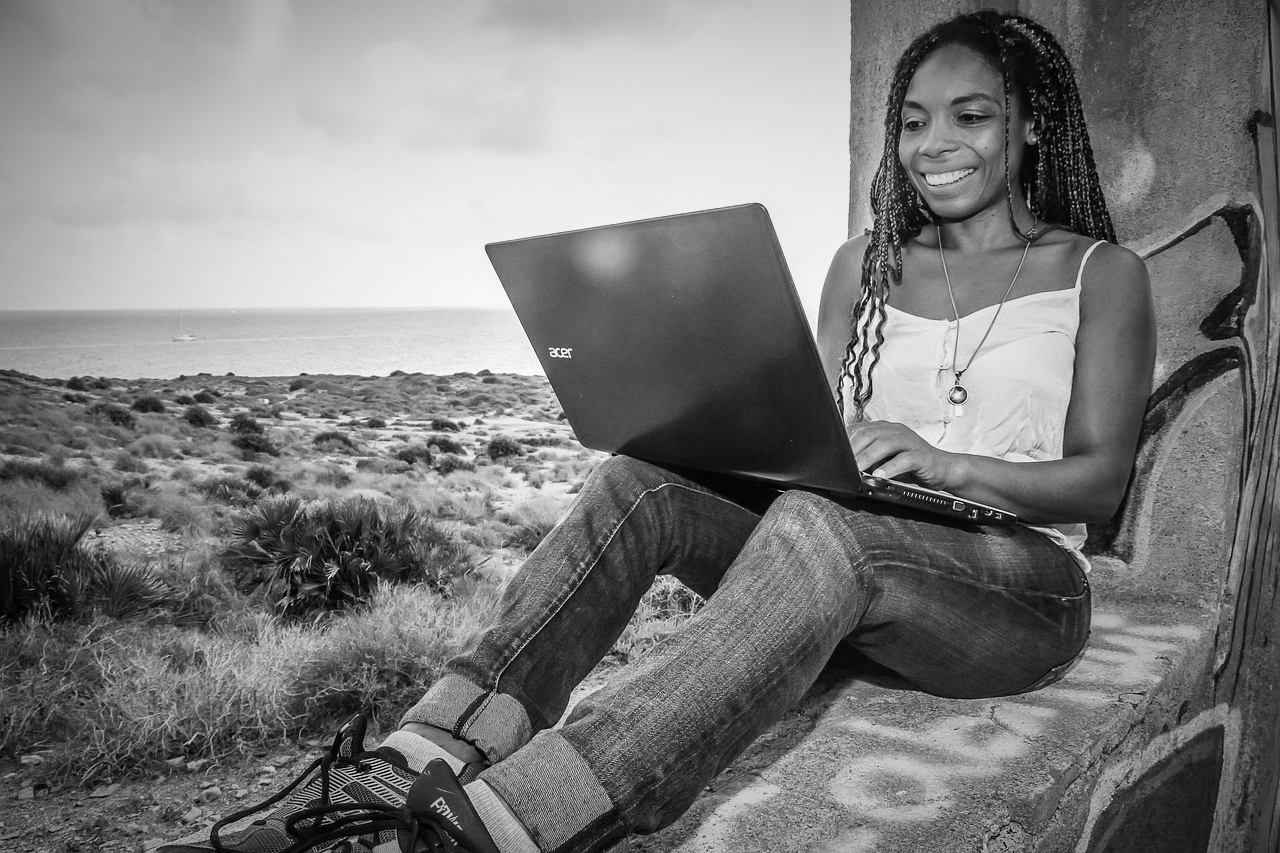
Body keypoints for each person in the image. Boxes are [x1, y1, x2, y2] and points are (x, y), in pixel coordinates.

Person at [162, 9, 1154, 853]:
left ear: (1028, 127)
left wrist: (947, 462)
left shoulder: (1096, 275)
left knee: (826, 529)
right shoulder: (862, 265)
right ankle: (424, 753)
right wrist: (722, 425)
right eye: (911, 121)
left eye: (970, 116)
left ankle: (524, 815)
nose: (933, 144)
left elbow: (1099, 482)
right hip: (850, 569)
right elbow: (805, 437)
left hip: (1011, 589)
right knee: (641, 479)